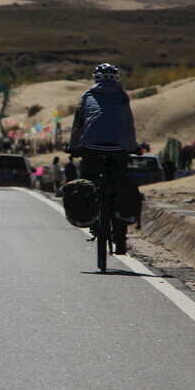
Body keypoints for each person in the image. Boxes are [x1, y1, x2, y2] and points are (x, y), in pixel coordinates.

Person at [66, 63, 138, 254]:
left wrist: (73, 147)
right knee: (120, 184)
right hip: (118, 148)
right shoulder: (122, 97)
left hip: (90, 147)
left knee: (88, 182)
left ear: (95, 78)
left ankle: (91, 214)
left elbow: (77, 125)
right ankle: (120, 236)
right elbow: (129, 125)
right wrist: (132, 147)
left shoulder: (88, 96)